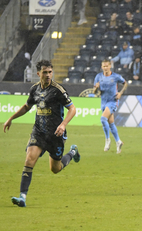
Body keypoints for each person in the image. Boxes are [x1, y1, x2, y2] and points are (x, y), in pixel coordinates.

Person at [3, 60, 80, 207]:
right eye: (45, 72)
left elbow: (73, 109)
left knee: (55, 169)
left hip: (55, 134)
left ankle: (72, 152)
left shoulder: (58, 89)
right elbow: (27, 106)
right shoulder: (35, 89)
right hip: (38, 132)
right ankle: (22, 198)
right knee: (29, 160)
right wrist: (11, 118)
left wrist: (63, 124)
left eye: (50, 72)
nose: (48, 75)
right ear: (38, 74)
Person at [94, 59, 128, 153]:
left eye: (107, 66)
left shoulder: (115, 76)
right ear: (101, 67)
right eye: (103, 66)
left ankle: (107, 140)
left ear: (110, 66)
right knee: (111, 123)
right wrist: (96, 88)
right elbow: (94, 92)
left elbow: (125, 83)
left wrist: (120, 93)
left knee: (103, 119)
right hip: (103, 102)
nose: (105, 68)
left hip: (112, 101)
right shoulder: (98, 76)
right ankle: (118, 141)